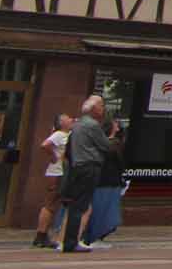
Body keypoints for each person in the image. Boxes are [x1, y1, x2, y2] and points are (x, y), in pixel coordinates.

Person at [59, 96, 109, 255]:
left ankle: (69, 241)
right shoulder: (92, 125)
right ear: (93, 109)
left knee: (75, 205)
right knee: (80, 206)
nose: (103, 109)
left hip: (77, 167)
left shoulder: (78, 124)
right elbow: (106, 146)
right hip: (89, 167)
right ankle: (72, 242)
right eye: (101, 105)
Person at [80, 120, 126, 250]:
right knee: (105, 210)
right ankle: (95, 236)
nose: (118, 127)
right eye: (116, 125)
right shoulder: (114, 144)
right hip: (109, 181)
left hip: (98, 179)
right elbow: (120, 162)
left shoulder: (97, 143)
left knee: (97, 208)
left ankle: (90, 236)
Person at [32, 113, 73, 250]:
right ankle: (41, 235)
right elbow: (45, 145)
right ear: (61, 122)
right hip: (57, 172)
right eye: (68, 118)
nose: (71, 119)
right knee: (50, 203)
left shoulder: (66, 134)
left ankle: (43, 235)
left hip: (60, 172)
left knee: (53, 204)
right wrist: (54, 155)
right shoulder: (60, 134)